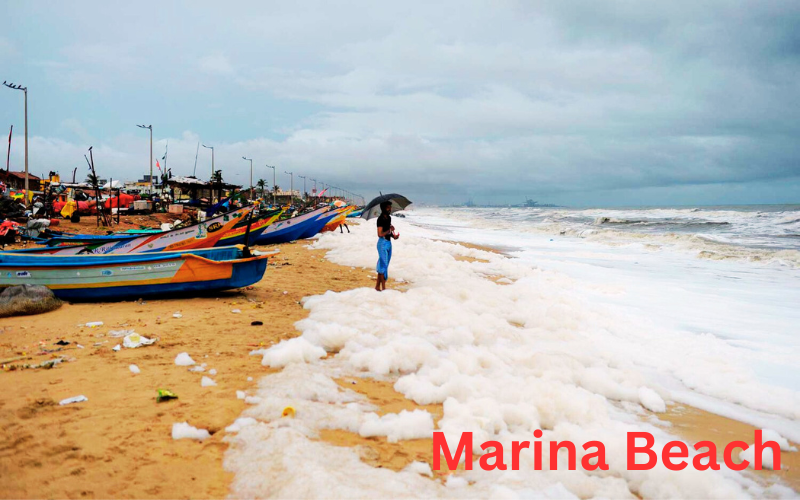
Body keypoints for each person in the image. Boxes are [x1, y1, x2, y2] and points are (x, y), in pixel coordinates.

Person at [375, 201, 399, 291]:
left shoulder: (389, 218)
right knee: (383, 265)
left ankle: (377, 286)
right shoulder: (380, 219)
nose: (390, 209)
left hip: (388, 243)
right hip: (382, 243)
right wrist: (389, 230)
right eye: (388, 207)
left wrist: (394, 236)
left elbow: (389, 232)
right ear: (383, 208)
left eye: (390, 207)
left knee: (384, 265)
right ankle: (384, 288)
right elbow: (380, 234)